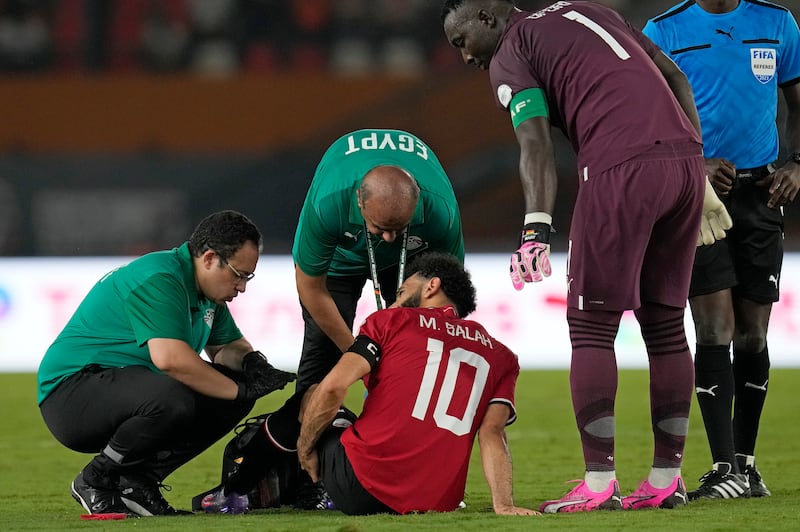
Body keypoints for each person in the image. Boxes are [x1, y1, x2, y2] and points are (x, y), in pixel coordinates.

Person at [441, 0, 732, 513]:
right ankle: (667, 478)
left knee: (591, 325)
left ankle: (599, 485)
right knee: (665, 324)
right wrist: (695, 157)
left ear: (487, 18)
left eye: (461, 42)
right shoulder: (591, 10)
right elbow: (676, 76)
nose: (464, 59)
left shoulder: (513, 49)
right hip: (685, 165)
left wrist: (535, 229)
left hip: (622, 167)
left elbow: (533, 146)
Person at [37, 210, 296, 517]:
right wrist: (239, 390)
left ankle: (138, 482)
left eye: (247, 277)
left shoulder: (204, 290)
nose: (242, 287)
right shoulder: (160, 277)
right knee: (182, 394)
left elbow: (227, 346)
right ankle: (96, 479)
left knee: (225, 394)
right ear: (210, 258)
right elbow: (171, 360)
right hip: (70, 395)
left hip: (118, 387)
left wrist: (253, 364)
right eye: (239, 275)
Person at [644, 0, 800, 501]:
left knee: (753, 336)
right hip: (700, 199)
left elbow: (798, 101)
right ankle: (722, 465)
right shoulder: (663, 30)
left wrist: (797, 162)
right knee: (714, 327)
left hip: (763, 196)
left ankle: (747, 467)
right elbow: (646, 120)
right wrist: (696, 165)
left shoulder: (778, 23)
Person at [278, 128, 465, 507]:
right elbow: (311, 287)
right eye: (381, 228)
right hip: (340, 263)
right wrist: (361, 355)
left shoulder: (439, 210)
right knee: (319, 365)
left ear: (416, 204)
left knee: (423, 363)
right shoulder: (329, 202)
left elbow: (450, 294)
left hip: (415, 265)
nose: (389, 238)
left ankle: (420, 468)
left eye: (399, 228)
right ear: (359, 203)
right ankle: (305, 477)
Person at [293, 251, 536, 515]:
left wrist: (305, 449)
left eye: (400, 293)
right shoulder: (502, 356)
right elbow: (492, 433)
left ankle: (267, 486)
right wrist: (504, 505)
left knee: (312, 396)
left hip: (360, 488)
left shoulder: (390, 321)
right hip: (438, 502)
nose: (395, 303)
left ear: (432, 285)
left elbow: (333, 388)